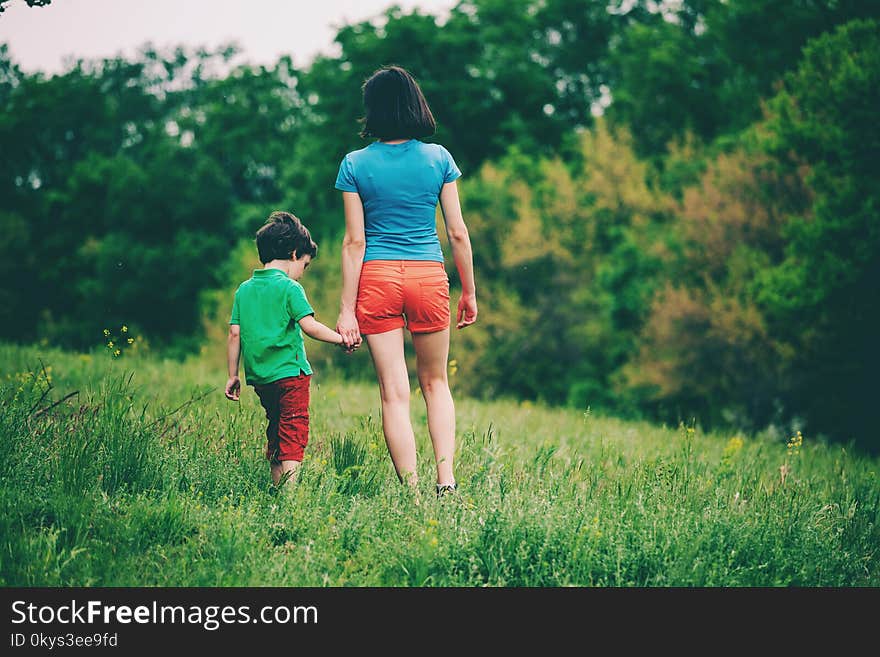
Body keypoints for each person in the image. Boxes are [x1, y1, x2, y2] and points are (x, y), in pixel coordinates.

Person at [334, 65, 478, 498]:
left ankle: (412, 491)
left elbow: (354, 241)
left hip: (376, 278)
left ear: (372, 110)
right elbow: (457, 231)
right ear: (415, 102)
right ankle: (446, 482)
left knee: (394, 393)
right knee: (435, 384)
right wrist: (469, 291)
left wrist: (345, 310)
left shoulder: (354, 164)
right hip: (427, 276)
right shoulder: (439, 158)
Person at [225, 211, 353, 490]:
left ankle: (277, 488)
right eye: (305, 266)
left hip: (261, 378)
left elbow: (234, 333)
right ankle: (291, 495)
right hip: (291, 375)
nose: (302, 273)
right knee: (293, 429)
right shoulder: (290, 288)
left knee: (276, 428)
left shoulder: (243, 291)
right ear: (294, 254)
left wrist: (233, 375)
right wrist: (340, 339)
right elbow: (310, 326)